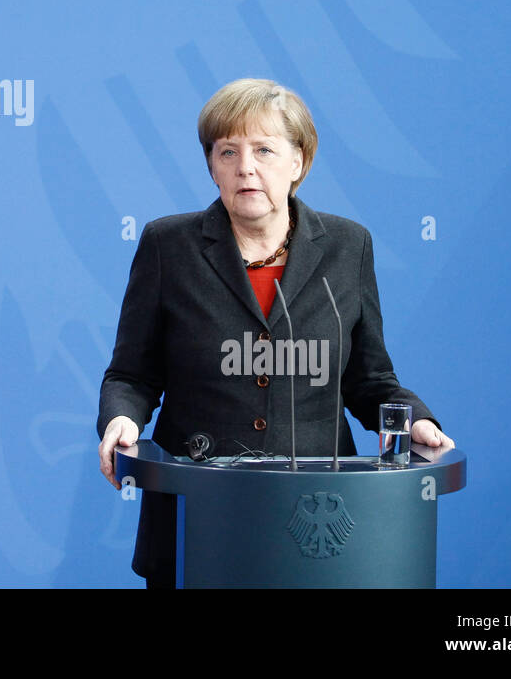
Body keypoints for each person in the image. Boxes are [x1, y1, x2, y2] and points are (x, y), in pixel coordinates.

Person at [97, 78, 452, 586]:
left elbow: (370, 380)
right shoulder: (166, 245)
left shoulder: (348, 247)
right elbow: (131, 374)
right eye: (228, 151)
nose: (246, 167)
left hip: (316, 521)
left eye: (264, 149)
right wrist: (121, 420)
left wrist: (414, 419)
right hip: (199, 520)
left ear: (298, 163)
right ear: (212, 165)